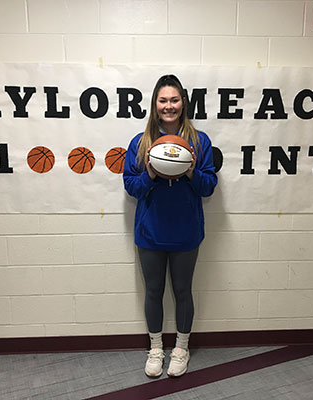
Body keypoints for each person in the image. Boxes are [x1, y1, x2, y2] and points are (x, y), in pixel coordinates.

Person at [123, 74, 218, 378]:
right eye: (162, 100)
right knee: (153, 290)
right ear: (154, 104)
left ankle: (181, 347)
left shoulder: (199, 141)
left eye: (174, 100)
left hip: (186, 232)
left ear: (183, 103)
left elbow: (208, 187)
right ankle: (154, 347)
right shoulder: (140, 143)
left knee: (182, 291)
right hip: (150, 232)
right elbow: (131, 187)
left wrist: (190, 171)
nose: (168, 106)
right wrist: (150, 173)